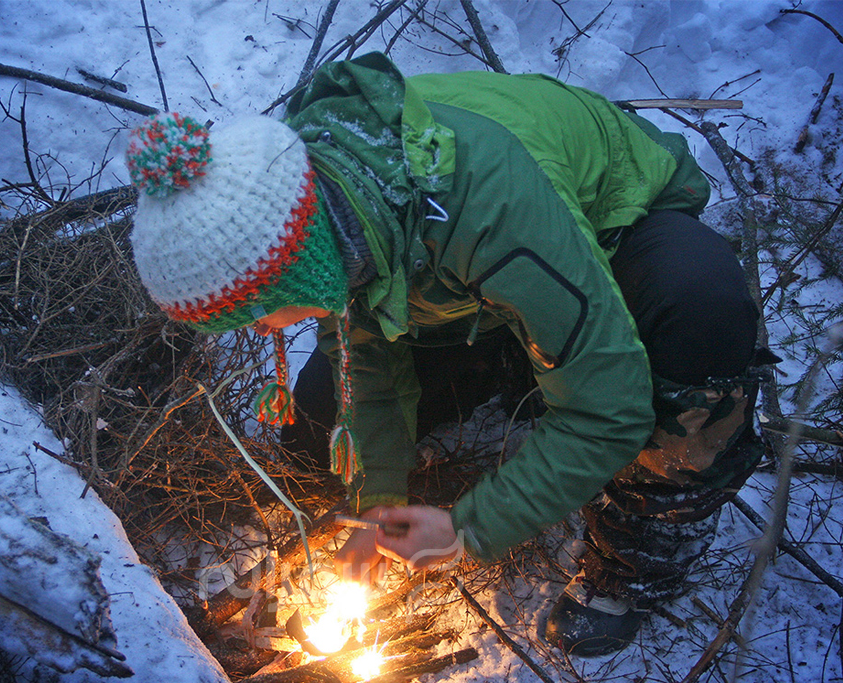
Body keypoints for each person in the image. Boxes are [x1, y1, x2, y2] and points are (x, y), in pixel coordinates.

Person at [125, 53, 769, 657]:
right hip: (466, 280)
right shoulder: (321, 212)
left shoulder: (487, 207)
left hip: (611, 222)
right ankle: (518, 363)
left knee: (697, 314)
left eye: (259, 313)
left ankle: (637, 563)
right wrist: (378, 500)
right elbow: (366, 375)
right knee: (318, 431)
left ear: (294, 274)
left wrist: (469, 527)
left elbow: (610, 411)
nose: (265, 330)